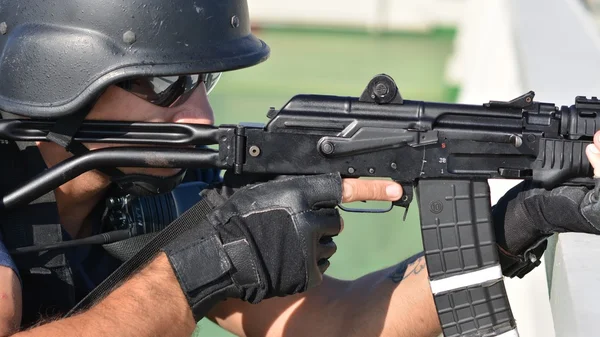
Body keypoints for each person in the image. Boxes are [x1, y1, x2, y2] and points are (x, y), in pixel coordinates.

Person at [0, 1, 599, 337]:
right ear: (61, 78)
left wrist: (518, 221)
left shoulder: (155, 190)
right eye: (167, 85)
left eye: (202, 81)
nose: (203, 118)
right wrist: (194, 270)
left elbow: (340, 326)